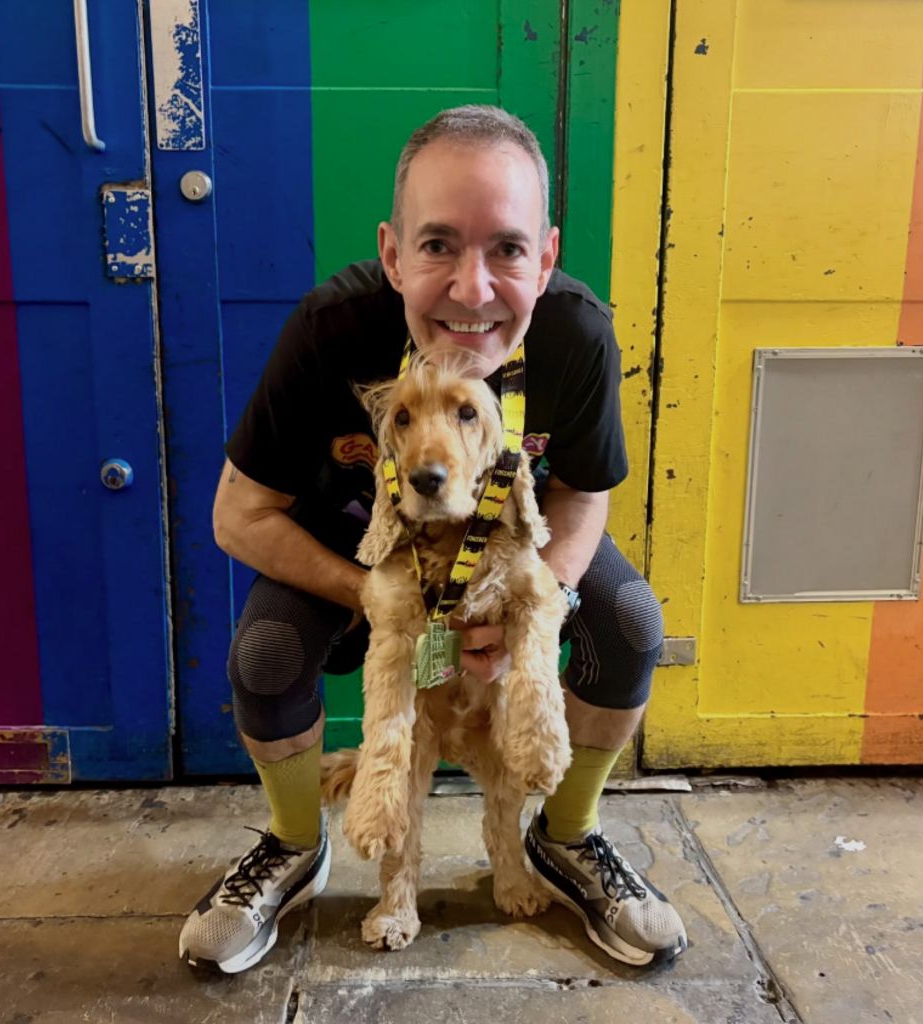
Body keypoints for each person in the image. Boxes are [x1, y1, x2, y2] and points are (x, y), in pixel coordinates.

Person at [179, 105, 687, 974]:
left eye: (508, 250)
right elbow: (238, 515)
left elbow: (582, 494)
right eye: (440, 245)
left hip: (508, 548)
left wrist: (537, 604)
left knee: (633, 622)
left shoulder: (577, 332)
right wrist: (394, 604)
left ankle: (569, 836)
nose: (474, 289)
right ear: (391, 252)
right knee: (264, 655)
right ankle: (295, 842)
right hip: (364, 551)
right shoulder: (328, 330)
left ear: (548, 255)